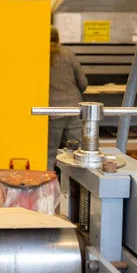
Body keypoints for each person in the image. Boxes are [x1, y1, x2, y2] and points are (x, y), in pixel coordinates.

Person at [47, 27, 88, 170]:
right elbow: (83, 82)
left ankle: (50, 188)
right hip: (74, 109)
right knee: (79, 152)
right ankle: (78, 187)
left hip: (51, 111)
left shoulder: (37, 55)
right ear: (58, 38)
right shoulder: (68, 54)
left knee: (50, 153)